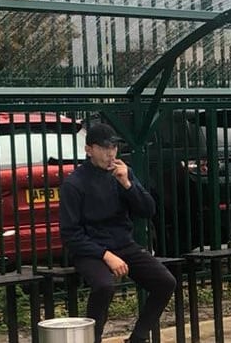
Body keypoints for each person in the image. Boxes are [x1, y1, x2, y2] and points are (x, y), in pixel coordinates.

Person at [59, 122, 177, 342]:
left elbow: (148, 209)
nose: (110, 153)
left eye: (113, 148)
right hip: (90, 251)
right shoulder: (74, 184)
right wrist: (106, 255)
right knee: (104, 286)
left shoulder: (123, 173)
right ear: (89, 150)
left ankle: (137, 339)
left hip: (123, 244)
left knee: (165, 282)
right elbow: (70, 234)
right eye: (104, 148)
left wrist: (127, 184)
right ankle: (92, 339)